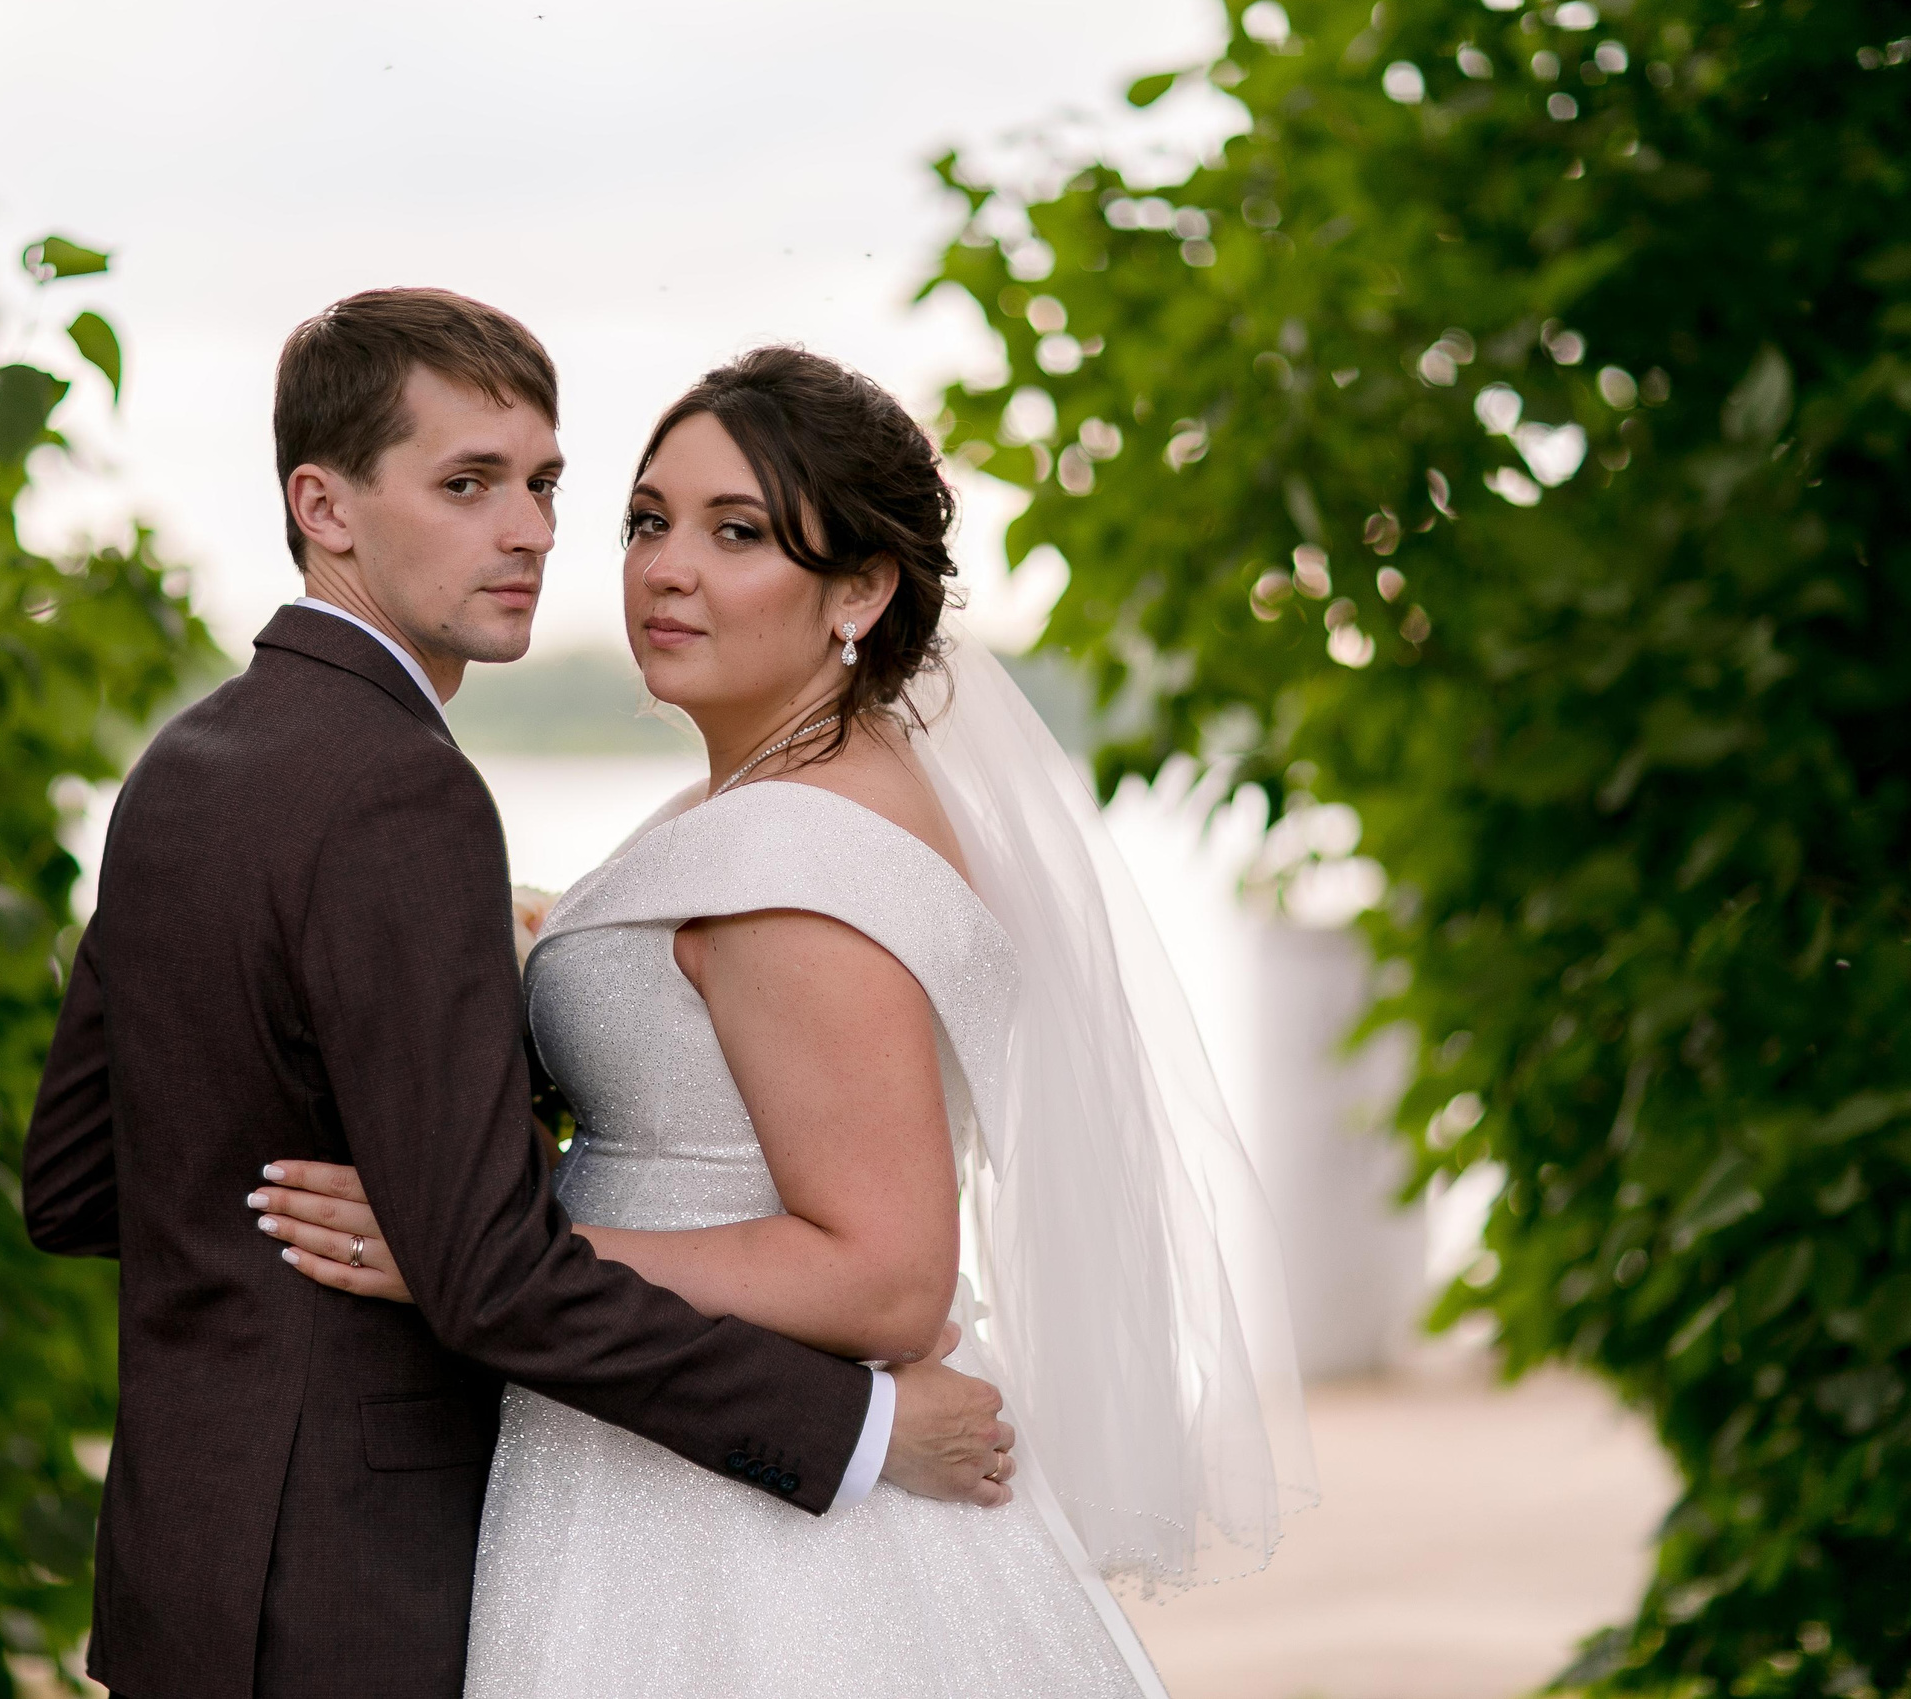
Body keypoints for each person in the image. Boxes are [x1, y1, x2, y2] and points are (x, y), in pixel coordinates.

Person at [255, 346, 1319, 1695]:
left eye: (739, 532)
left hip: (736, 1527)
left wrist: (484, 1252)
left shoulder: (792, 864)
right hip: (674, 1447)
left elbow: (884, 1277)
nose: (665, 569)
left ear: (861, 592)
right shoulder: (791, 803)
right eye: (648, 520)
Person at [20, 293, 1021, 1699]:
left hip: (187, 1579)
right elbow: (487, 1275)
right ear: (327, 505)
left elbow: (72, 1183)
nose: (533, 531)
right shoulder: (404, 797)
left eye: (546, 486)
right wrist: (857, 1433)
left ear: (860, 590)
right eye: (469, 484)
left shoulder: (183, 767)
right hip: (361, 1589)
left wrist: (412, 1141)